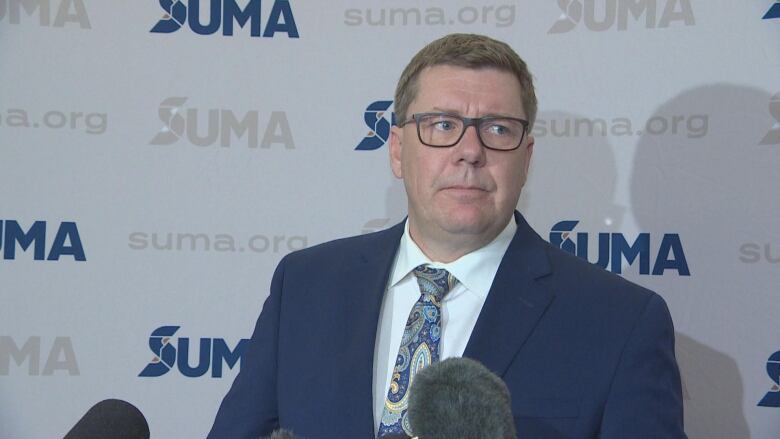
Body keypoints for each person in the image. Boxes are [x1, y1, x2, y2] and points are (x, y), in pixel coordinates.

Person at [208, 33, 685, 439]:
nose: (470, 152)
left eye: (498, 129)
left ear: (527, 156)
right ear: (397, 150)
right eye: (442, 125)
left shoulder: (619, 322)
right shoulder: (306, 285)